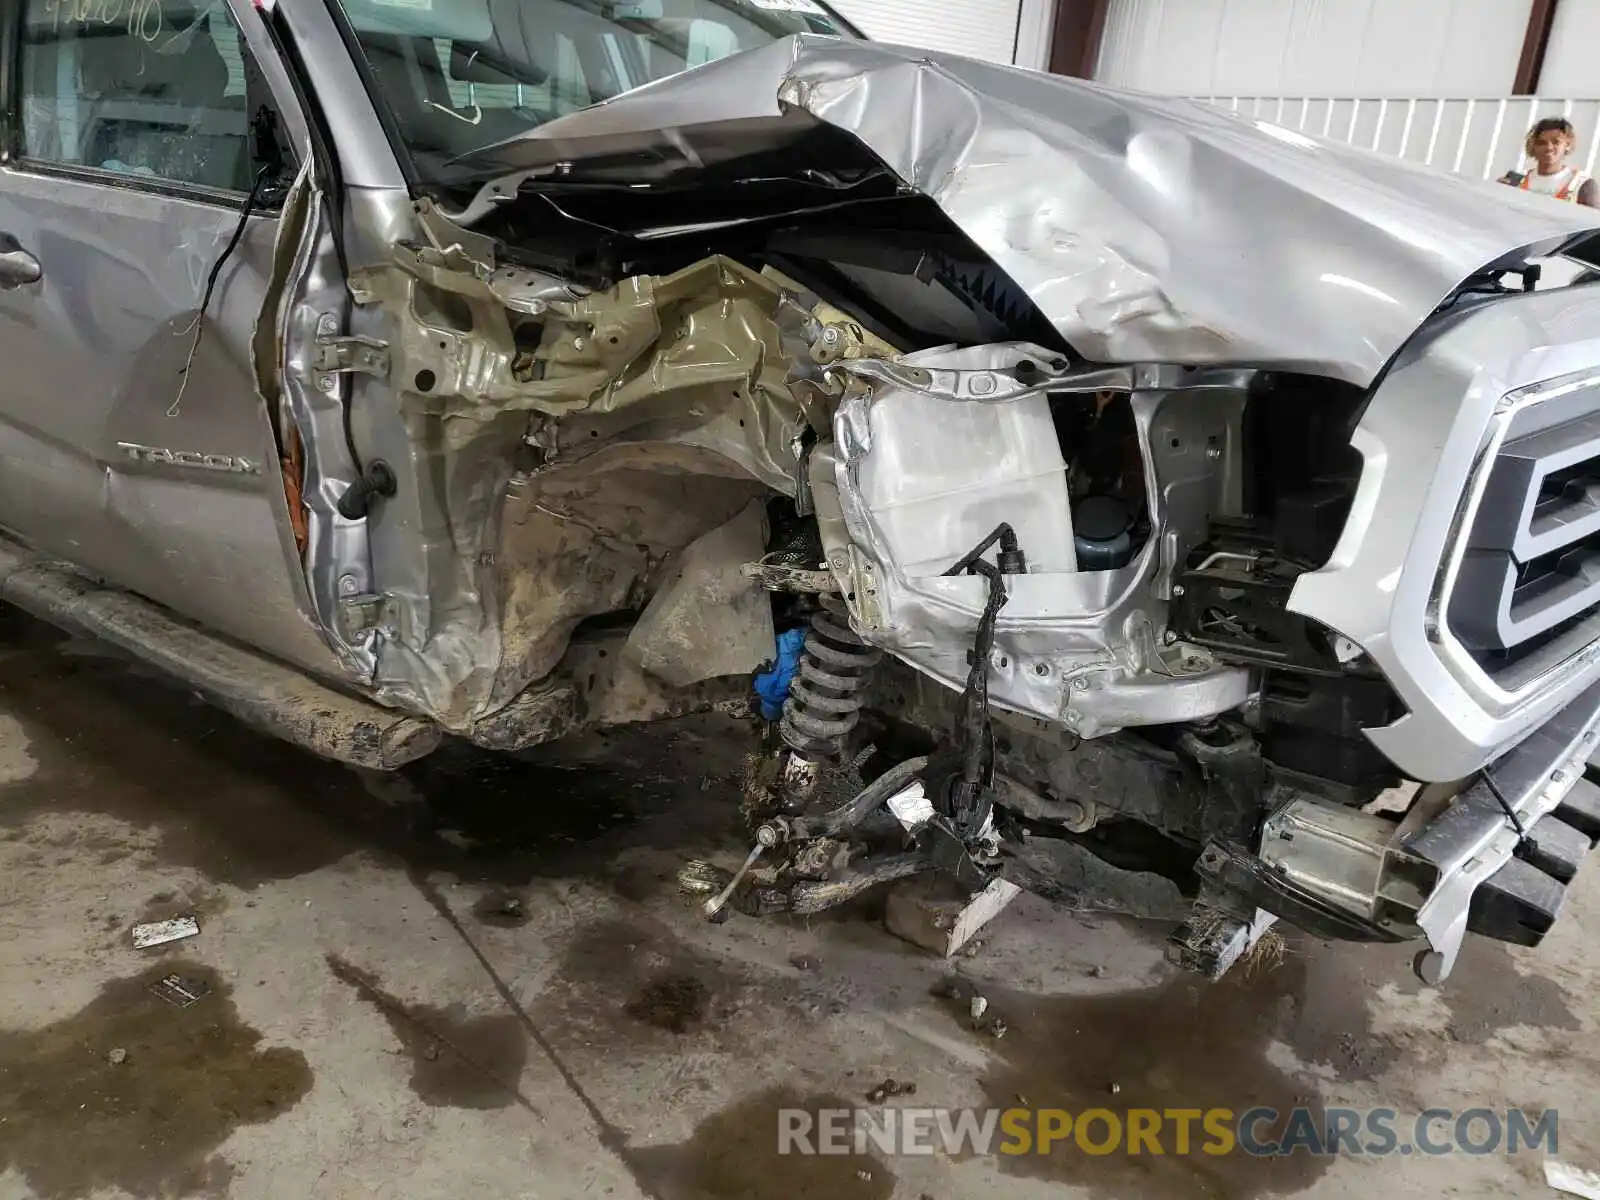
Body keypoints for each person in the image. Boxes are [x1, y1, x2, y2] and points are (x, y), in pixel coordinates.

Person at [1500, 117, 1599, 207]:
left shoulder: (1581, 184)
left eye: (1556, 142)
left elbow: (1593, 223)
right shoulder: (1516, 181)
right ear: (1533, 147)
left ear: (1567, 145)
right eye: (1541, 143)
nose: (1549, 148)